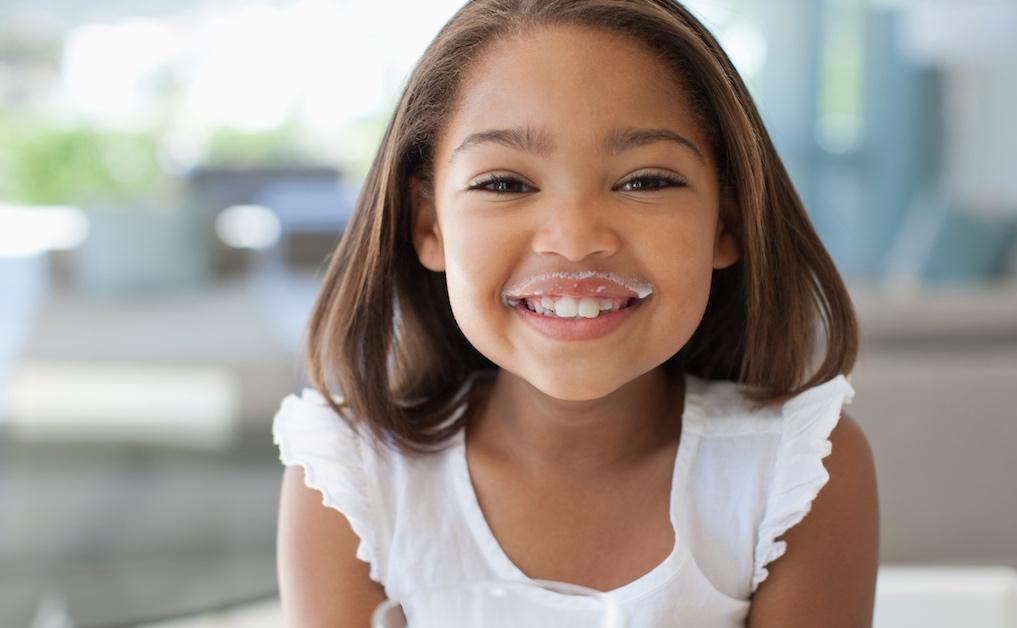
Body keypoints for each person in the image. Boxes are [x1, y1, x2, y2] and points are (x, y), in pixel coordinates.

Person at [274, 1, 879, 626]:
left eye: (644, 180)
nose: (574, 237)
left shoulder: (794, 475)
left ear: (725, 221)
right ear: (430, 226)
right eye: (504, 183)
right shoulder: (352, 482)